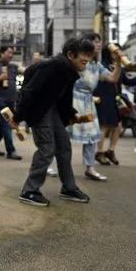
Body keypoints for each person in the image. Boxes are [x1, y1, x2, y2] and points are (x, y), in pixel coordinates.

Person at [9, 37, 95, 207]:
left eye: (89, 55)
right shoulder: (55, 65)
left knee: (63, 146)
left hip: (51, 108)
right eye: (83, 55)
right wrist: (17, 117)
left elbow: (63, 99)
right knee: (47, 148)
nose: (86, 59)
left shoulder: (69, 70)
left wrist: (71, 115)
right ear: (71, 54)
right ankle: (29, 190)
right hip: (39, 109)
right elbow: (30, 91)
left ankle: (68, 188)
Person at [68, 33, 123, 182]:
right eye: (95, 41)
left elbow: (113, 78)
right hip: (72, 100)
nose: (98, 44)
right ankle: (50, 164)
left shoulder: (96, 66)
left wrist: (118, 63)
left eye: (99, 41)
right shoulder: (77, 60)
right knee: (63, 134)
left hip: (88, 103)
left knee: (92, 137)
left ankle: (90, 168)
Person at [93, 43, 136, 166]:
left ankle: (110, 151)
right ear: (109, 53)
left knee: (118, 127)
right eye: (115, 51)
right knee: (104, 126)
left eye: (119, 51)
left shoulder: (119, 67)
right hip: (103, 98)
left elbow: (127, 81)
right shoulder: (101, 66)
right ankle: (99, 153)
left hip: (116, 99)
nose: (118, 53)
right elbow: (108, 80)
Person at [0, 46, 23, 160]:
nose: (11, 55)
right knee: (7, 124)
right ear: (1, 53)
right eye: (9, 52)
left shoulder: (13, 67)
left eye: (12, 53)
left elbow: (25, 70)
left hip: (10, 101)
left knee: (3, 126)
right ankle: (11, 151)